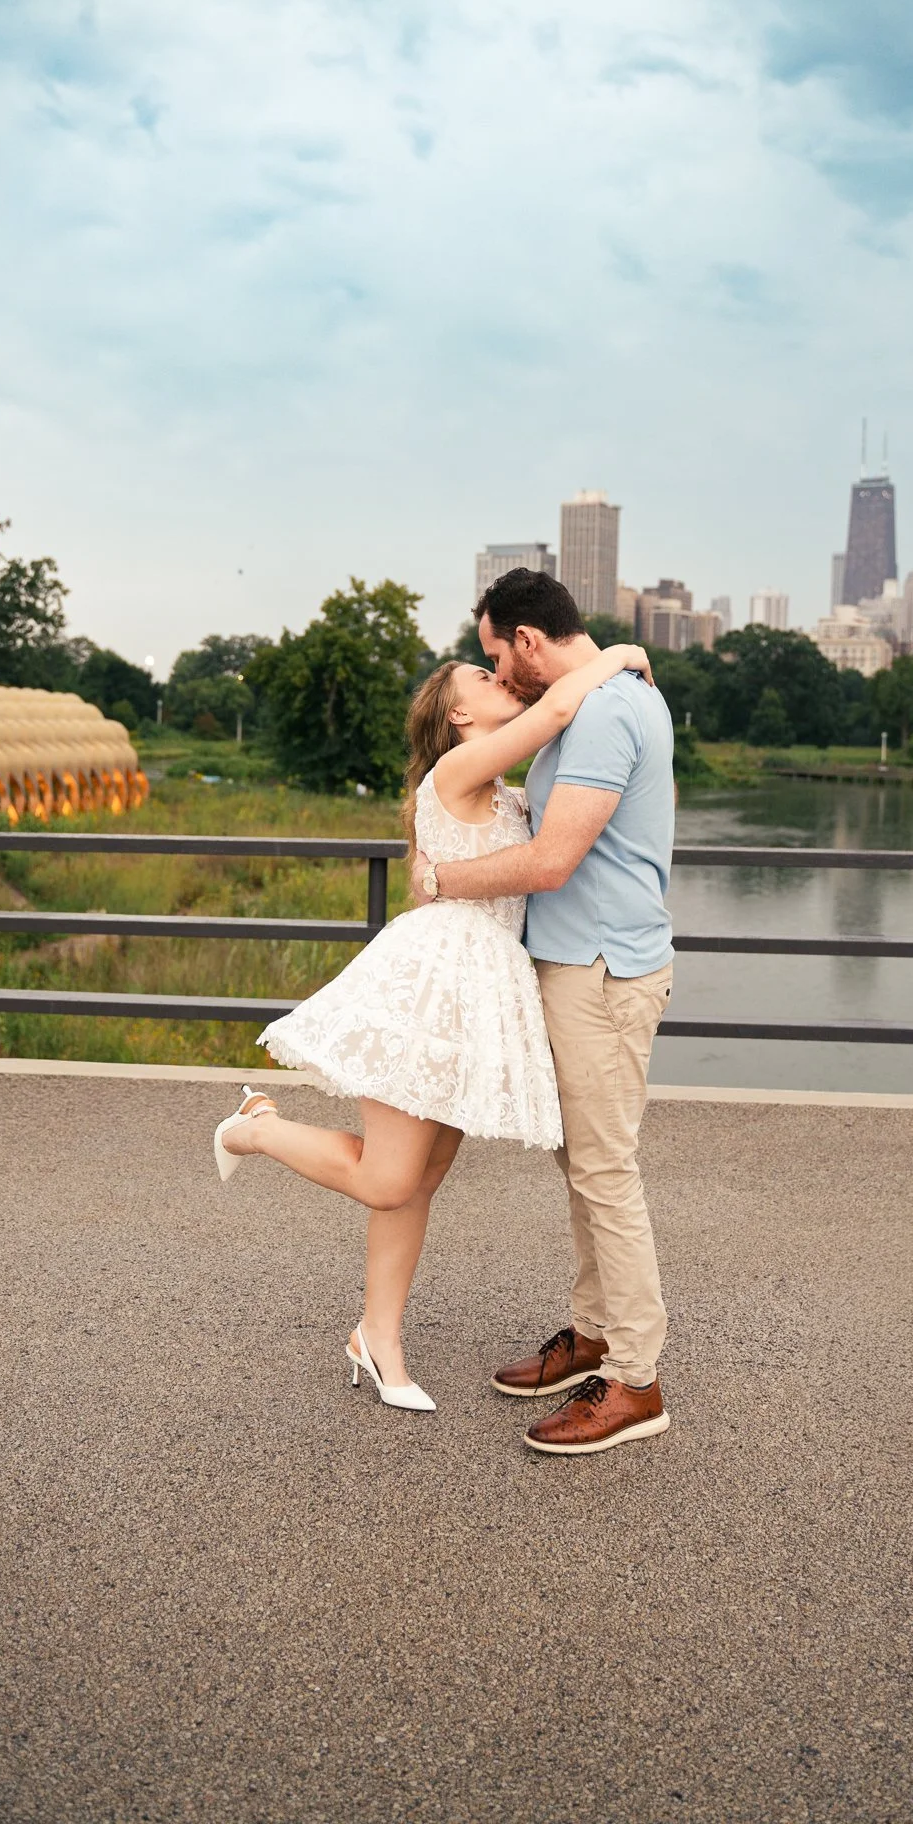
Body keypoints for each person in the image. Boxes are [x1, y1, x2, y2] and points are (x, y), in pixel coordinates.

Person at [210, 637, 654, 1415]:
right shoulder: (455, 770)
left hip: (477, 999)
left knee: (417, 1183)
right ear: (458, 715)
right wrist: (617, 653)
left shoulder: (504, 792)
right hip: (430, 989)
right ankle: (256, 1128)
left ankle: (377, 1338)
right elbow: (556, 708)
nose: (498, 676)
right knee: (388, 1178)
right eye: (483, 674)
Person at [409, 568, 675, 1456]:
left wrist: (440, 880)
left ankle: (635, 1381)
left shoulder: (603, 712)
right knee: (585, 1167)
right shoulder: (591, 699)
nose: (496, 672)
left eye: (495, 656)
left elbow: (551, 861)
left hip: (600, 972)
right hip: (577, 968)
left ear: (526, 640)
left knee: (604, 1172)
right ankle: (594, 1333)